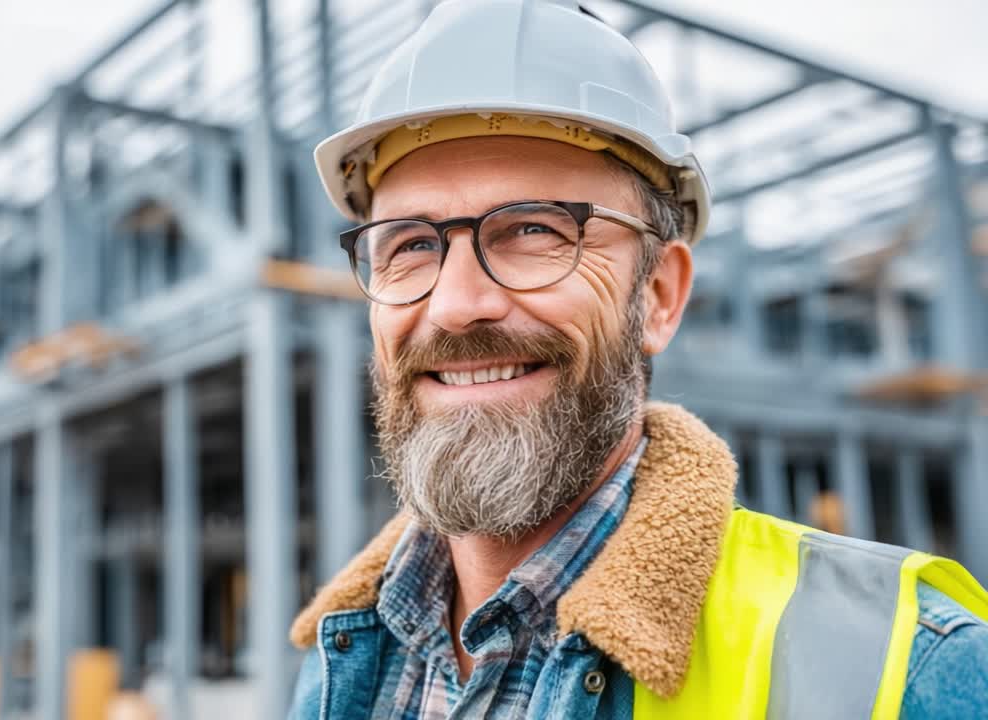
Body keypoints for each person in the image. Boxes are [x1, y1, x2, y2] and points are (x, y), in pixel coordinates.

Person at [286, 1, 988, 717]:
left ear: (658, 295)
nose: (456, 303)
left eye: (533, 229)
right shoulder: (340, 657)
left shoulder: (906, 667)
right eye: (410, 245)